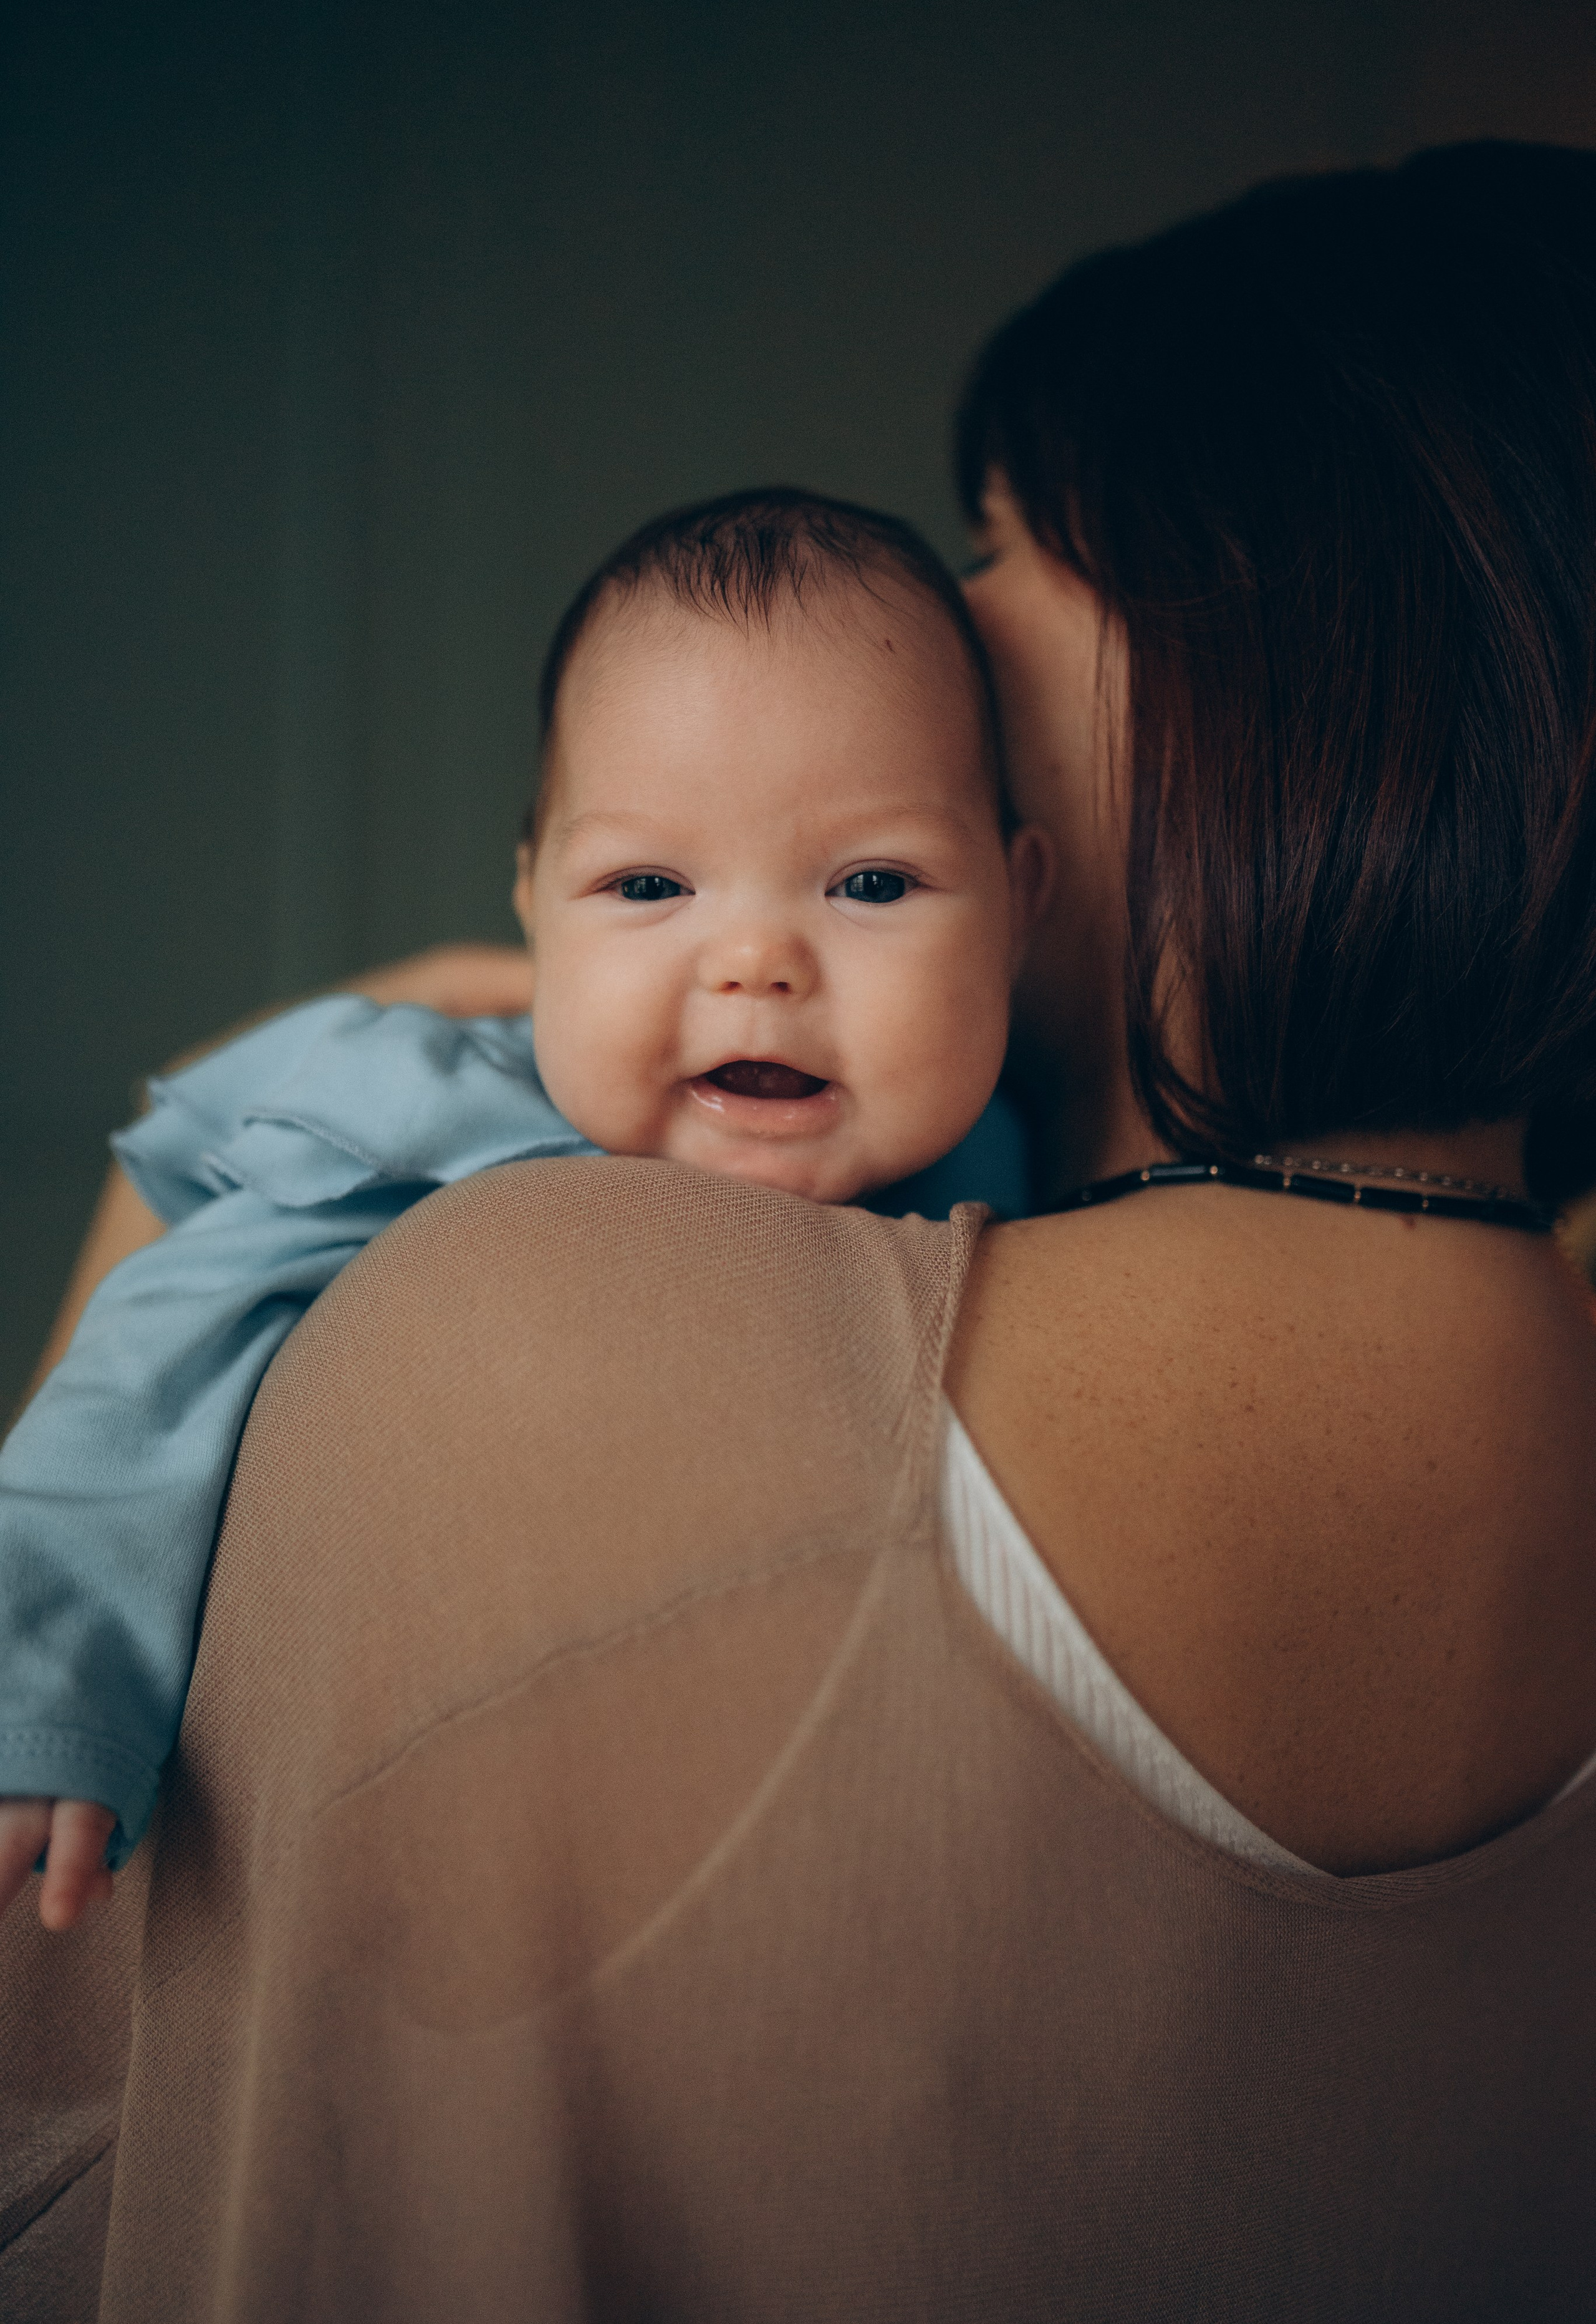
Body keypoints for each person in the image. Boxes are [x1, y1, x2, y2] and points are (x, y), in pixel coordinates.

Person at [8, 138, 1596, 2318]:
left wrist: (189, 1191)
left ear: (1302, 641)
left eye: (1006, 544)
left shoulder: (550, 1314)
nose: (941, 619)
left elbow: (69, 2104)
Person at [0, 487, 1048, 1923]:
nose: (753, 958)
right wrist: (46, 1687)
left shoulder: (1017, 1168)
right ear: (532, 904)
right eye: (645, 882)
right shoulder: (441, 1128)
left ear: (1019, 899)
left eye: (870, 880)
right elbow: (155, 1356)